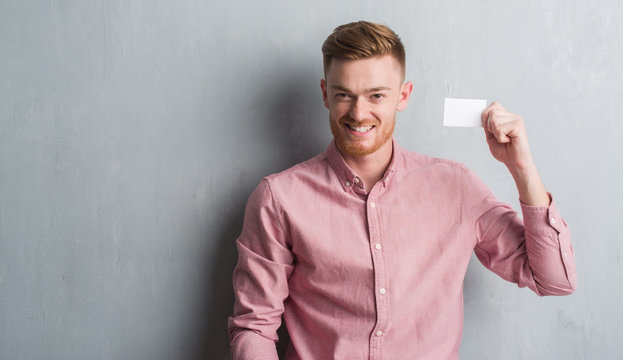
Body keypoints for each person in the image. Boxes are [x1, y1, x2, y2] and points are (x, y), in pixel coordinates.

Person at [227, 21, 576, 360]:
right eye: (344, 95)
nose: (359, 113)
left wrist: (522, 169)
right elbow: (253, 327)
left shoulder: (456, 187)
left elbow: (554, 280)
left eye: (376, 95)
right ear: (325, 95)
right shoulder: (279, 198)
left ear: (403, 96)